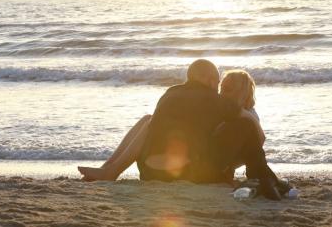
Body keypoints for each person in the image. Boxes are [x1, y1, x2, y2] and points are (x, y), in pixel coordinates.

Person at [78, 60, 283, 200]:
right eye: (220, 86)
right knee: (148, 119)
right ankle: (109, 167)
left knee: (151, 122)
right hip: (186, 166)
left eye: (227, 88)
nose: (221, 91)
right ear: (211, 81)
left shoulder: (242, 114)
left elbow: (253, 141)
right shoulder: (217, 104)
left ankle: (110, 171)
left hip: (188, 167)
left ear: (243, 92)